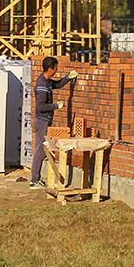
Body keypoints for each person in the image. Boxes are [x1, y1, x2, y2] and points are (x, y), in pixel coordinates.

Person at [29, 56, 77, 189]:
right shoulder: (42, 86)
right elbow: (40, 107)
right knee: (41, 150)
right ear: (50, 69)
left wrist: (68, 77)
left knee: (43, 149)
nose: (56, 71)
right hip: (42, 121)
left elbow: (58, 84)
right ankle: (34, 180)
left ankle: (35, 178)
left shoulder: (47, 81)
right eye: (55, 68)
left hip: (45, 121)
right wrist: (56, 106)